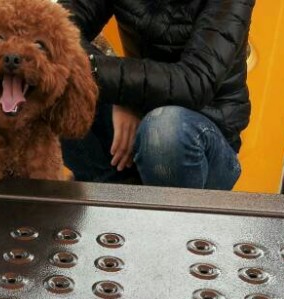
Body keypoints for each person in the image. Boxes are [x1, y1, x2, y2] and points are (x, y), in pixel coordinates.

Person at [58, 0, 254, 190]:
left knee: (165, 130)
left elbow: (195, 81)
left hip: (200, 135)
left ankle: (166, 208)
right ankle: (116, 194)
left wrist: (122, 93)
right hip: (136, 117)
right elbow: (58, 32)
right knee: (53, 84)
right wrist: (120, 96)